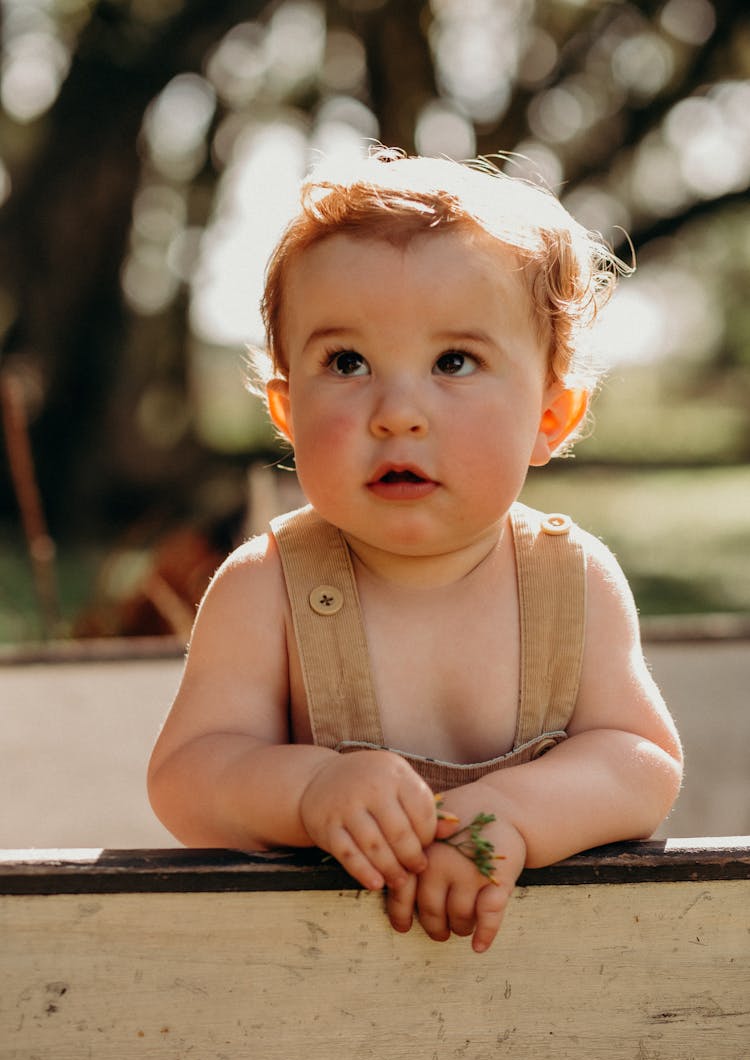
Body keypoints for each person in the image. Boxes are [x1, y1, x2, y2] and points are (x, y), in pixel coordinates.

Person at [147, 150, 682, 953]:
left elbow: (641, 761)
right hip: (304, 983)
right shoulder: (269, 590)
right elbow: (187, 777)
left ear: (552, 414)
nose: (397, 412)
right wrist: (311, 789)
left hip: (549, 990)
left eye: (454, 362)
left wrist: (520, 815)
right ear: (287, 412)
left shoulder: (569, 582)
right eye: (347, 363)